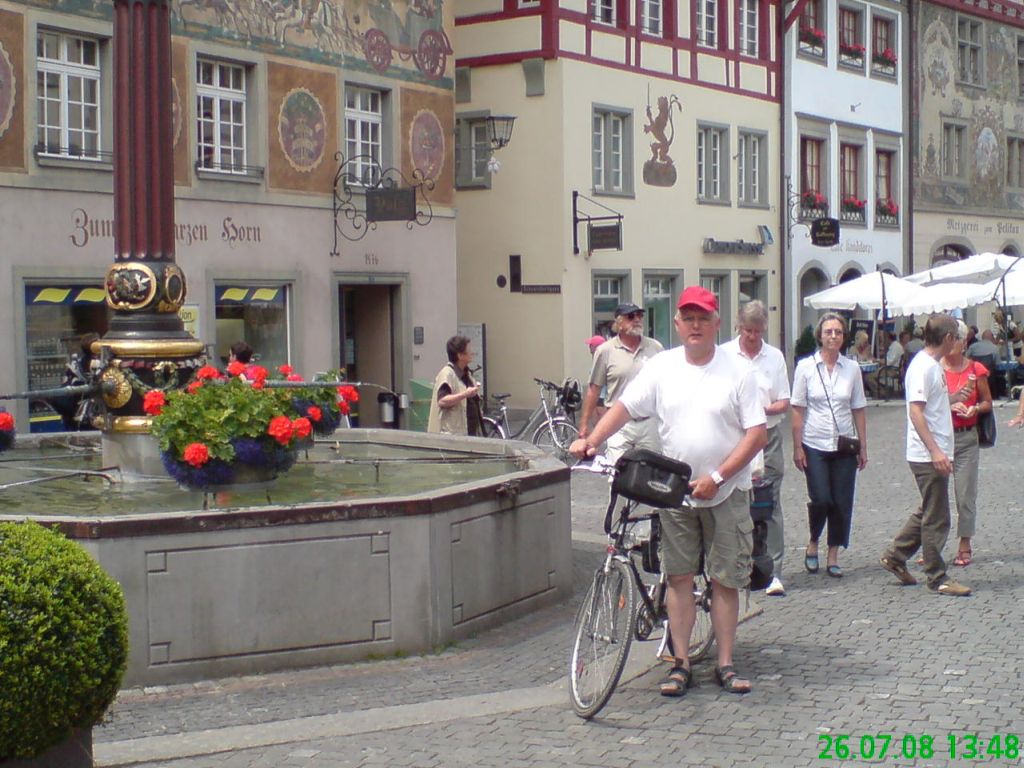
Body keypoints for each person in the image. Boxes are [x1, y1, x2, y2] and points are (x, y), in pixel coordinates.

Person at [570, 286, 767, 696]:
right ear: (677, 323)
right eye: (688, 318)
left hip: (726, 490)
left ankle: (725, 663)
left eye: (703, 318)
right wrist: (591, 440)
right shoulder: (662, 367)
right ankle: (680, 664)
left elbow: (756, 435)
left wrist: (718, 476)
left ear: (716, 323)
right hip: (676, 491)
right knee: (678, 577)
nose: (696, 325)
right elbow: (624, 408)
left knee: (725, 580)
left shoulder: (739, 371)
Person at [880, 314, 972, 596]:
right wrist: (935, 451)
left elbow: (930, 403)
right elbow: (916, 412)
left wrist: (953, 398)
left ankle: (895, 556)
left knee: (929, 508)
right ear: (948, 338)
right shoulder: (924, 367)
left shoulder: (931, 365)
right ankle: (936, 576)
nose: (958, 343)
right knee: (937, 516)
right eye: (957, 338)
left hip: (933, 452)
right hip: (927, 454)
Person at [790, 313, 868, 578]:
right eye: (828, 332)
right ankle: (813, 541)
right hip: (814, 441)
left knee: (842, 501)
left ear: (844, 336)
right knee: (821, 498)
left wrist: (863, 445)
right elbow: (798, 408)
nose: (833, 336)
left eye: (838, 332)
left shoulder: (852, 369)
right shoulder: (805, 367)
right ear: (820, 336)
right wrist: (797, 446)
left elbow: (858, 408)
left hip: (844, 443)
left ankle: (833, 553)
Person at [722, 301, 791, 596]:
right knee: (733, 501)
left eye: (757, 331)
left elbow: (784, 400)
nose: (752, 336)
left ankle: (773, 571)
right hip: (734, 436)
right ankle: (734, 567)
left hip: (767, 435)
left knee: (769, 503)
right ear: (739, 327)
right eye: (748, 331)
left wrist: (761, 410)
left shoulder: (774, 357)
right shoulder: (724, 355)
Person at [578, 303, 663, 465]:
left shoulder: (655, 348)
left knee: (649, 472)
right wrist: (584, 425)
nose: (637, 320)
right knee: (617, 471)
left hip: (648, 422)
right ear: (619, 323)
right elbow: (594, 389)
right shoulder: (605, 351)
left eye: (640, 316)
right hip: (618, 424)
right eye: (631, 316)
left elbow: (664, 386)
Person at [940, 320, 992, 568]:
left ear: (963, 342)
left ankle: (964, 544)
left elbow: (987, 402)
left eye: (956, 338)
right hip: (940, 437)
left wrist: (975, 409)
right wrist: (948, 405)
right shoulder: (934, 369)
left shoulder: (975, 369)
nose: (951, 343)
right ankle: (932, 545)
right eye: (948, 338)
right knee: (934, 496)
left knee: (965, 495)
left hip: (966, 436)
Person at [427, 335, 482, 436]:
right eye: (469, 350)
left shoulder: (466, 373)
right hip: (453, 435)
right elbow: (442, 401)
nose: (472, 353)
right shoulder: (447, 374)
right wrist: (465, 394)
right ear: (460, 355)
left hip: (469, 433)